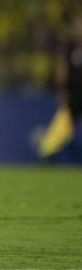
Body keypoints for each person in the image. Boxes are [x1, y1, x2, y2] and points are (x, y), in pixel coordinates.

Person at [37, 9, 82, 161]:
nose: (79, 28)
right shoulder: (69, 46)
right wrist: (62, 89)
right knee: (63, 121)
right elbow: (61, 67)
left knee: (64, 121)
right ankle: (48, 152)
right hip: (74, 91)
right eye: (77, 25)